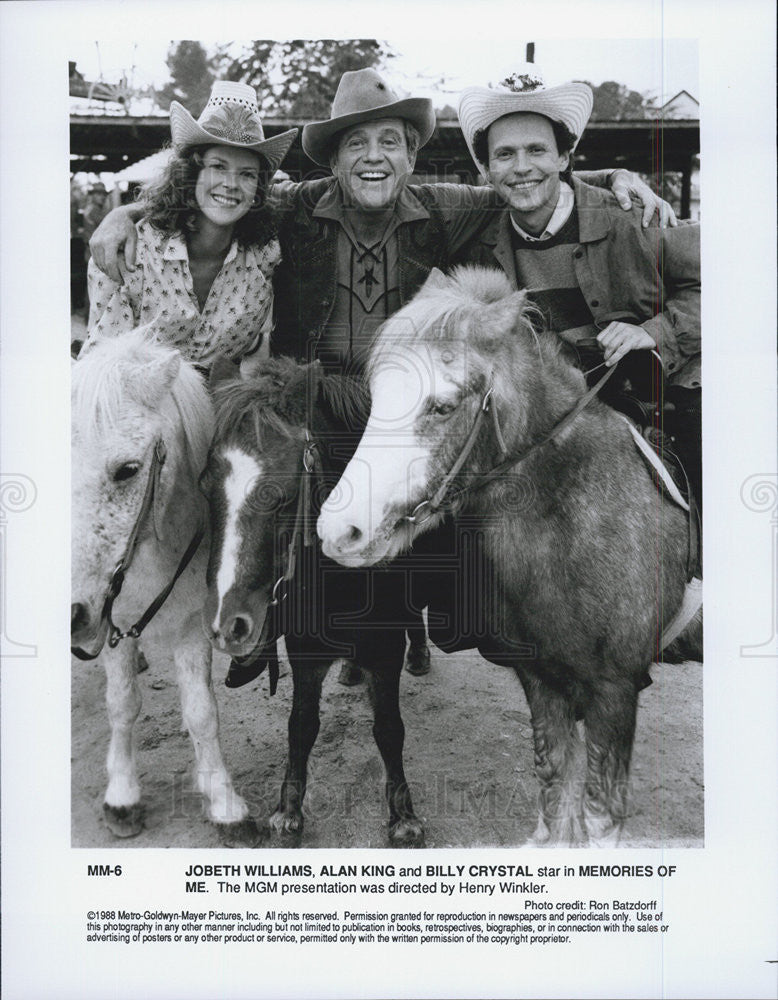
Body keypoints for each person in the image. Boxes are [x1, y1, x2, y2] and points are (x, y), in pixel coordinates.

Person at [90, 68, 676, 680]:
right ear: (335, 161)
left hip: (401, 402)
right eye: (356, 144)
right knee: (258, 482)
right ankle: (262, 615)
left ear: (411, 154)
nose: (374, 157)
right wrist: (126, 213)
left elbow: (527, 183)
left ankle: (451, 616)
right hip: (316, 395)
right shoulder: (293, 204)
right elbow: (220, 194)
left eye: (390, 142)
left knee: (461, 475)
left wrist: (613, 178)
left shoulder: (447, 206)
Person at [455, 67, 701, 508]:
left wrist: (655, 332)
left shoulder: (632, 216)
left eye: (537, 150)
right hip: (560, 417)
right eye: (505, 155)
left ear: (564, 158)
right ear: (488, 168)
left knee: (704, 504)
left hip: (660, 406)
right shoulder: (479, 244)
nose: (522, 167)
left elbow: (733, 285)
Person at [81, 82, 297, 377]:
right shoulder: (129, 252)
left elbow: (252, 359)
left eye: (246, 174)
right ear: (191, 174)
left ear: (258, 190)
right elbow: (101, 372)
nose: (231, 184)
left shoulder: (266, 256)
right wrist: (123, 213)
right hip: (135, 414)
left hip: (219, 415)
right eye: (218, 167)